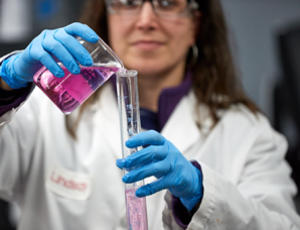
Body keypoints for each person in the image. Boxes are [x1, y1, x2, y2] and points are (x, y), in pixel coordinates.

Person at [0, 0, 299, 229]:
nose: (146, 21)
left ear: (196, 23)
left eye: (167, 3)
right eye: (129, 2)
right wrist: (4, 85)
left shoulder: (248, 132)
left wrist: (201, 194)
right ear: (108, 16)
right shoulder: (44, 111)